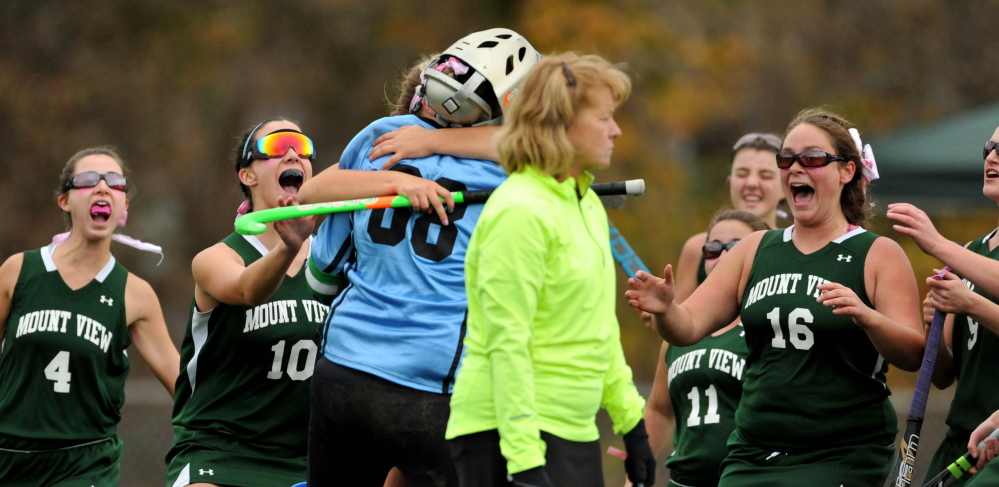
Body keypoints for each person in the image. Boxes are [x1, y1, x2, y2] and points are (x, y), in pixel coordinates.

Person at [626, 107, 925, 485]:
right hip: (753, 452)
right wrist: (666, 309)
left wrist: (867, 316)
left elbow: (914, 352)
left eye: (812, 158)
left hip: (840, 453)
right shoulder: (754, 249)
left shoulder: (877, 253)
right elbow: (687, 328)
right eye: (786, 159)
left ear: (846, 171)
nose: (796, 168)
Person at [301, 28, 541, 487]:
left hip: (342, 371)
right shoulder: (513, 172)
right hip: (432, 384)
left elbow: (318, 241)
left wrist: (414, 160)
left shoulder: (384, 135)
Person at [443, 52, 655, 487]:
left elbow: (600, 329)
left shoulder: (588, 203)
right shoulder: (519, 209)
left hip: (571, 430)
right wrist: (523, 461)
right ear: (560, 124)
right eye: (604, 118)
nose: (616, 130)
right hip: (505, 435)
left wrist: (632, 425)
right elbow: (508, 341)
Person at [0, 147, 179, 486]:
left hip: (85, 465)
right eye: (86, 181)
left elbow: (185, 389)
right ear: (65, 201)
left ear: (124, 207)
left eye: (114, 182)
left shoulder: (134, 294)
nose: (101, 188)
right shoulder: (18, 271)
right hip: (9, 459)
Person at [165, 118, 323, 487]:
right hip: (221, 451)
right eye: (279, 144)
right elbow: (247, 289)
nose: (292, 153)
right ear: (247, 176)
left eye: (302, 147)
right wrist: (289, 247)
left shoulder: (330, 259)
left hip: (306, 457)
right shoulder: (216, 258)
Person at [885, 125, 999, 486]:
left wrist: (937, 244)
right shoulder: (971, 252)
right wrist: (933, 324)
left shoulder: (956, 253)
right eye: (989, 148)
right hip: (962, 445)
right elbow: (943, 373)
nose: (992, 157)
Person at [639, 210, 768, 487]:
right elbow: (659, 410)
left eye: (735, 248)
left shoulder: (771, 329)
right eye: (712, 249)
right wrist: (636, 478)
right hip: (684, 481)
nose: (722, 256)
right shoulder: (680, 334)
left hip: (749, 479)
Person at [674, 133, 784, 304]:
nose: (752, 183)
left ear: (786, 186)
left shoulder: (795, 248)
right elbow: (678, 322)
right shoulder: (698, 249)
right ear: (729, 182)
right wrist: (663, 315)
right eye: (742, 174)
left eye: (766, 175)